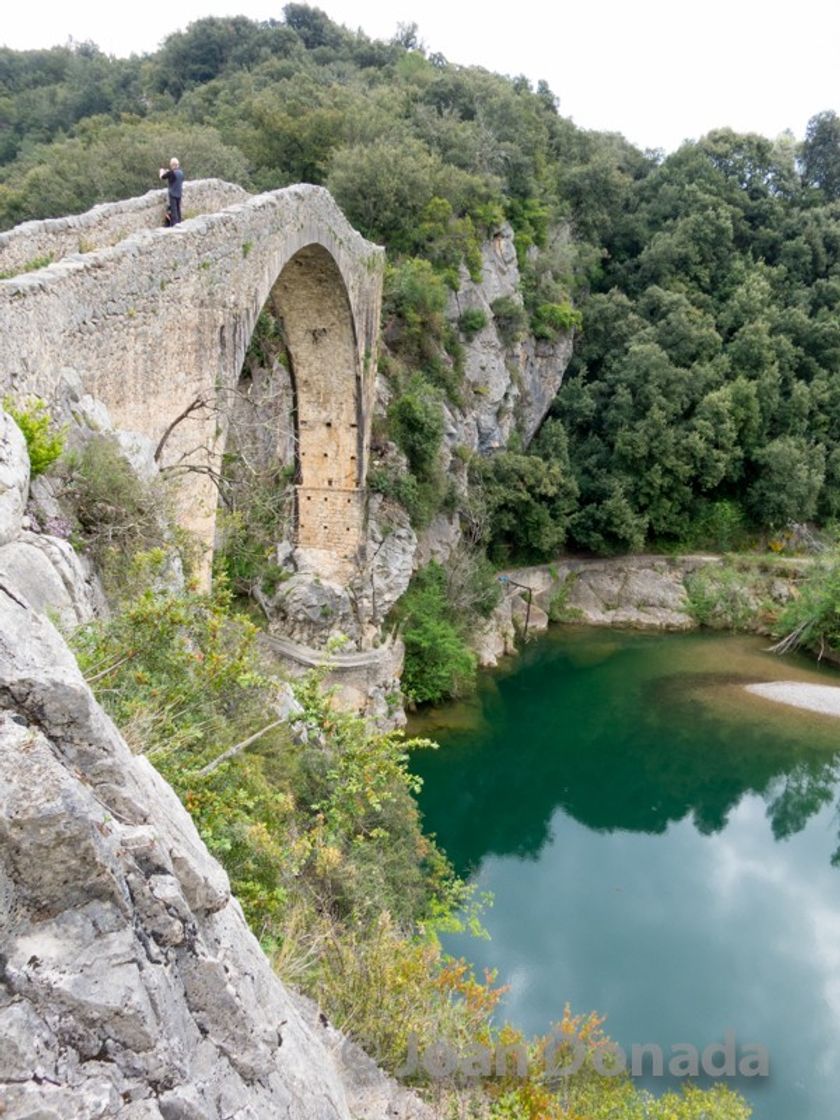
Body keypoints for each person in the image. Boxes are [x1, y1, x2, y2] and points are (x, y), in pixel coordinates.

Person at [159, 158, 184, 226]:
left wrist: (161, 171)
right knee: (178, 209)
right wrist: (168, 172)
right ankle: (179, 222)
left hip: (172, 194)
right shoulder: (181, 173)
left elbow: (162, 177)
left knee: (174, 210)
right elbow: (173, 177)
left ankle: (175, 224)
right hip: (179, 193)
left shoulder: (171, 173)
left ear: (172, 165)